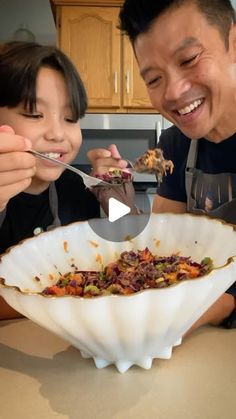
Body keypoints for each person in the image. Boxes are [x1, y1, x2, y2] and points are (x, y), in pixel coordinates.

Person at [90, 0, 236, 330]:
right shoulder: (175, 145)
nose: (173, 92)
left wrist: (172, 322)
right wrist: (112, 198)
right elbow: (158, 248)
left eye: (189, 59)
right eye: (154, 79)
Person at [0, 41, 135, 320]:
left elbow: (133, 252)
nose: (58, 134)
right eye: (34, 114)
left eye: (70, 118)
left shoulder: (77, 188)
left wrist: (118, 203)